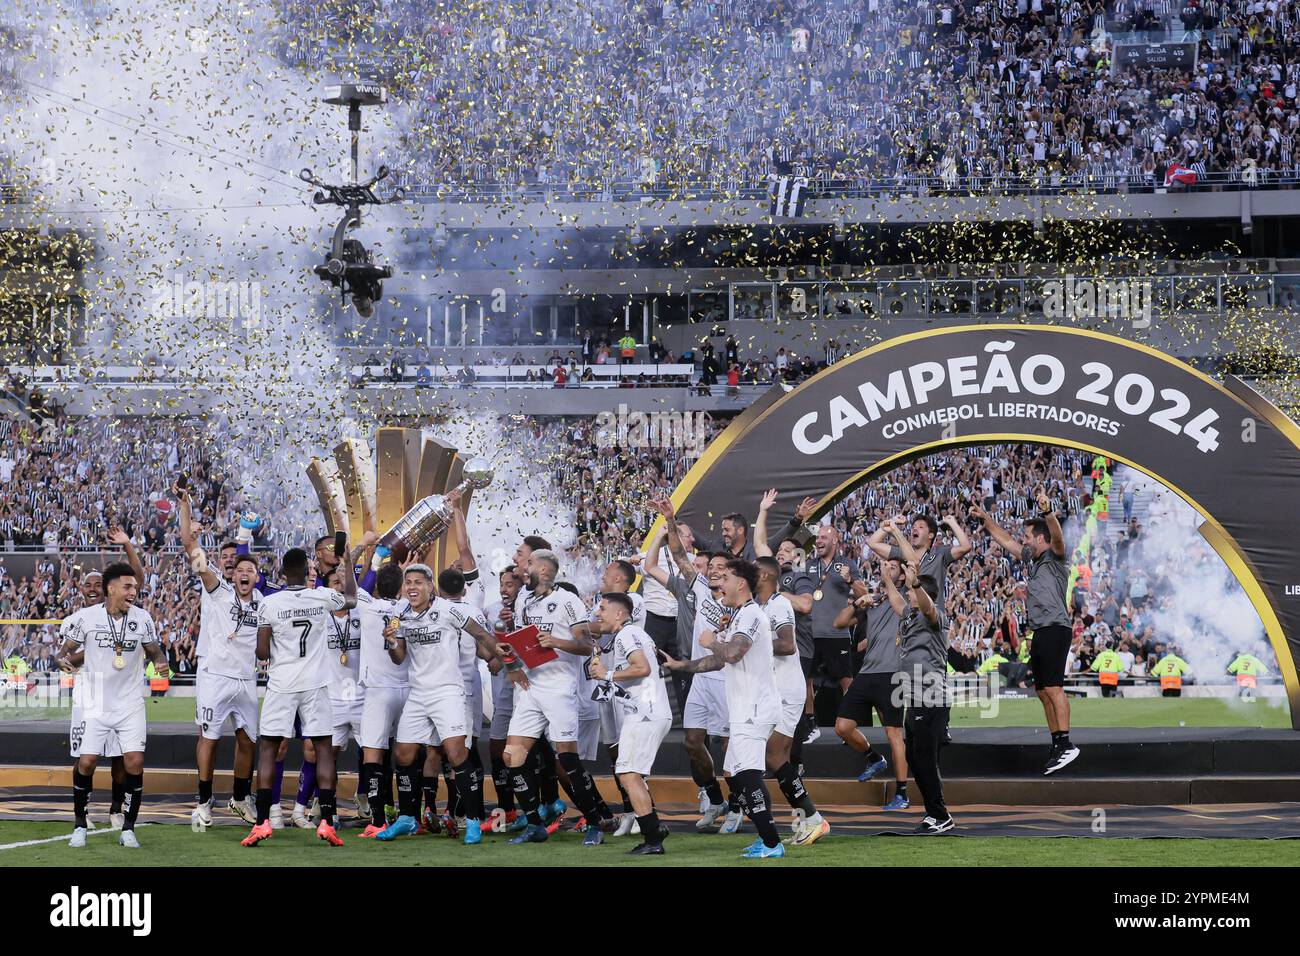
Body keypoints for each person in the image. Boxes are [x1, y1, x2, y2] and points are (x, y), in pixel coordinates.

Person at [375, 564, 512, 846]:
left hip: (448, 692)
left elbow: (478, 633)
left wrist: (496, 650)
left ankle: (472, 821)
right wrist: (391, 642)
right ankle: (407, 818)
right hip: (418, 693)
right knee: (403, 754)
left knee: (456, 753)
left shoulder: (449, 610)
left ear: (430, 587)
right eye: (408, 583)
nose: (412, 588)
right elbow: (399, 658)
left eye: (418, 583)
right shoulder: (399, 616)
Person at [663, 559, 785, 858]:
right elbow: (720, 660)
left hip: (753, 709)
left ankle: (771, 842)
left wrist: (710, 641)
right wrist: (685, 666)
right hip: (744, 708)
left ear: (741, 583)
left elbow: (731, 653)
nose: (721, 584)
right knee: (736, 771)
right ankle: (766, 838)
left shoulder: (751, 615)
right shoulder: (741, 615)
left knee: (748, 774)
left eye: (726, 578)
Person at [241, 546, 355, 848]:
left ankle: (262, 822)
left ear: (282, 573)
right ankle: (328, 823)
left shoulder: (270, 603)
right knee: (324, 751)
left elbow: (262, 653)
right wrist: (349, 563)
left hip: (282, 685)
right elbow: (352, 600)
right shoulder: (321, 596)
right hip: (316, 684)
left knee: (268, 750)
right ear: (308, 574)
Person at [502, 549, 617, 846]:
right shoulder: (523, 601)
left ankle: (594, 823)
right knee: (512, 756)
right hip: (531, 685)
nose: (521, 570)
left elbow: (586, 645)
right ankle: (535, 825)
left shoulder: (567, 601)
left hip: (560, 687)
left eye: (527, 565)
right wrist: (512, 664)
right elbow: (519, 641)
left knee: (567, 759)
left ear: (543, 570)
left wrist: (556, 641)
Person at [57, 562, 172, 849]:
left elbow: (153, 648)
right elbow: (67, 649)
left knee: (134, 762)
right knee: (86, 762)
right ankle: (80, 825)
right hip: (97, 702)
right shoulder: (86, 618)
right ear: (112, 589)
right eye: (128, 586)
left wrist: (160, 661)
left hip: (130, 703)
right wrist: (61, 658)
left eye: (134, 586)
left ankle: (128, 828)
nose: (133, 591)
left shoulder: (142, 617)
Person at [972, 491, 1080, 775]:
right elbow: (1006, 541)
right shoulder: (1033, 559)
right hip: (1041, 630)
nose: (1024, 540)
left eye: (1029, 536)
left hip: (1056, 628)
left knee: (1054, 688)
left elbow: (1057, 538)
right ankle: (1057, 743)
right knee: (1042, 690)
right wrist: (986, 519)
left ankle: (1066, 743)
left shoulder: (1056, 557)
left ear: (1041, 539)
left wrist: (1047, 513)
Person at [645, 498, 733, 832]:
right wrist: (670, 520)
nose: (712, 572)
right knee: (693, 742)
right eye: (710, 568)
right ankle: (715, 798)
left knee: (728, 746)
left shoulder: (738, 601)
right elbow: (679, 556)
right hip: (698, 676)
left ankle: (738, 804)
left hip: (725, 678)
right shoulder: (696, 588)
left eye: (719, 569)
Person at [588, 593, 672, 855]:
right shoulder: (624, 637)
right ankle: (654, 829)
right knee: (630, 774)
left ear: (619, 614)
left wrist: (608, 673)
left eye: (602, 608)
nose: (597, 613)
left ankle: (652, 839)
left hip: (645, 713)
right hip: (644, 711)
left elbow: (643, 668)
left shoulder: (627, 634)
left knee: (628, 774)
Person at [187, 541, 262, 831]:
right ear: (233, 576)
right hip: (215, 676)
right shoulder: (220, 593)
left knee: (248, 740)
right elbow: (197, 560)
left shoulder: (263, 605)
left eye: (250, 571)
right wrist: (190, 532)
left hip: (245, 679)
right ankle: (204, 801)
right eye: (240, 570)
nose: (244, 574)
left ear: (257, 577)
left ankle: (240, 797)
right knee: (210, 738)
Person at [755, 556, 829, 844]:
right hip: (774, 689)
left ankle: (813, 819)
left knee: (774, 756)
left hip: (787, 690)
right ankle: (805, 819)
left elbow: (787, 645)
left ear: (763, 575)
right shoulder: (760, 607)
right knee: (777, 758)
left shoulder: (780, 604)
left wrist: (751, 643)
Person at [833, 554, 910, 809]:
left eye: (893, 567)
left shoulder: (907, 600)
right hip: (867, 673)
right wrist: (858, 603)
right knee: (842, 727)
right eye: (885, 566)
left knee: (894, 734)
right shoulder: (874, 602)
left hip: (893, 674)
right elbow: (839, 623)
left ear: (902, 574)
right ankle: (874, 758)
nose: (886, 569)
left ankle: (902, 793)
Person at [882, 556, 952, 835]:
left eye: (911, 590)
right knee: (916, 757)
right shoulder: (911, 616)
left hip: (931, 697)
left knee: (923, 758)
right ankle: (934, 812)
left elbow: (929, 608)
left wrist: (915, 584)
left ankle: (940, 815)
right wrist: (888, 577)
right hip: (914, 697)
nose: (907, 593)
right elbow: (895, 601)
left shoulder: (934, 616)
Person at [356, 562, 409, 837]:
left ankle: (377, 820)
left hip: (378, 690)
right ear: (402, 587)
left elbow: (358, 588)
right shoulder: (407, 609)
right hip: (407, 688)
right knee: (407, 756)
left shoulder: (366, 605)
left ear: (377, 586)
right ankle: (410, 816)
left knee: (373, 754)